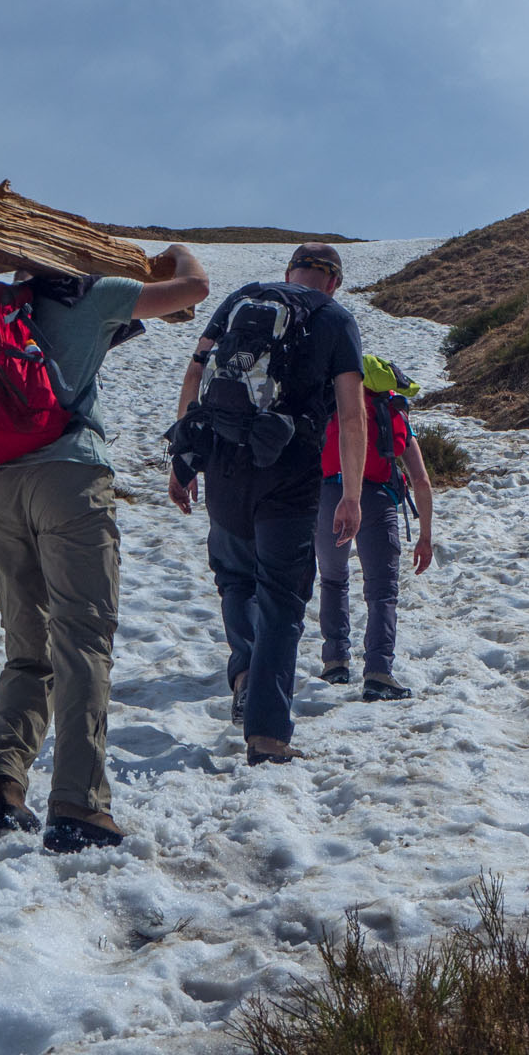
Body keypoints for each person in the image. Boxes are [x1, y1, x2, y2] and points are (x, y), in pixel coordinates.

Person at [0, 244, 211, 853]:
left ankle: (1, 781)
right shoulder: (88, 295)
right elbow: (195, 288)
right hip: (69, 480)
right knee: (82, 639)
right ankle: (78, 803)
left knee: (26, 643)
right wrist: (176, 252)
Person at [168, 243, 366, 765]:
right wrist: (350, 493)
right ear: (334, 282)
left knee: (235, 579)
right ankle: (268, 736)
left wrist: (183, 457)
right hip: (289, 478)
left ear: (288, 271)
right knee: (281, 601)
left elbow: (196, 373)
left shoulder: (241, 300)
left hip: (224, 470)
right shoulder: (335, 319)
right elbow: (351, 416)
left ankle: (243, 676)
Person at [314, 354, 434, 700]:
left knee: (333, 580)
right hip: (377, 498)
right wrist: (425, 537)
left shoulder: (332, 407)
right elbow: (421, 481)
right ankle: (379, 672)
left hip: (329, 496)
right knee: (382, 590)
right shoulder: (392, 413)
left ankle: (335, 662)